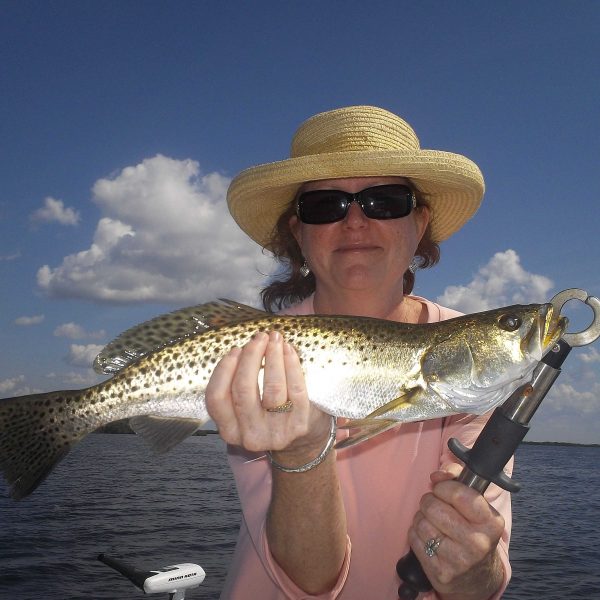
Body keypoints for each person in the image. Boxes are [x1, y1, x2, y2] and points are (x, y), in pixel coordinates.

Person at [205, 106, 511, 599]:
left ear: (420, 223)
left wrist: (473, 570)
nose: (354, 222)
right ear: (297, 232)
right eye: (325, 206)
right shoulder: (255, 353)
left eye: (384, 201)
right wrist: (302, 452)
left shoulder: (472, 359)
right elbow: (310, 580)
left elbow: (485, 579)